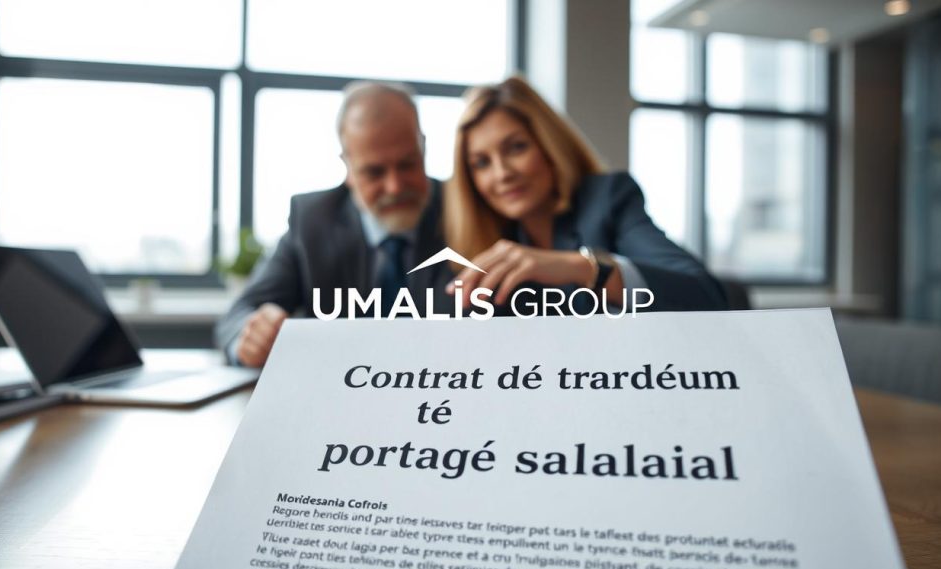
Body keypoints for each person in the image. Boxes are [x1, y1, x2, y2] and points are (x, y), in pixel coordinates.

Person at [216, 81, 454, 366]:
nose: (394, 187)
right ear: (348, 165)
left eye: (407, 164)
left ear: (423, 147)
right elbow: (238, 317)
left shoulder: (465, 209)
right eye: (374, 172)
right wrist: (252, 337)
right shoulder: (313, 220)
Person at [444, 76, 727, 313]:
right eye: (481, 163)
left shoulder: (608, 199)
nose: (502, 173)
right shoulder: (481, 245)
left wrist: (583, 267)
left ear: (550, 144)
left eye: (516, 148)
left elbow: (705, 296)